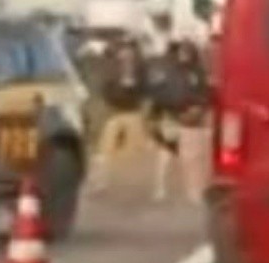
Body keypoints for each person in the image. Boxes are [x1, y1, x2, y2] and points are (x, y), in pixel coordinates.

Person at [147, 40, 211, 205]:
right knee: (168, 154)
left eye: (187, 52)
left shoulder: (196, 72)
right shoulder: (171, 72)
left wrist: (199, 107)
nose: (184, 55)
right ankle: (161, 189)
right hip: (173, 116)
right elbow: (159, 94)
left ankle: (188, 193)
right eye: (183, 52)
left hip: (189, 118)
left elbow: (204, 93)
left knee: (189, 158)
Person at [87, 36, 149, 196]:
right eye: (124, 50)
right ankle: (99, 184)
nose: (127, 53)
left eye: (130, 50)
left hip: (133, 111)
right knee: (103, 150)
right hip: (113, 111)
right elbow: (102, 89)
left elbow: (145, 90)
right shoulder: (110, 68)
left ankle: (133, 186)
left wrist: (134, 89)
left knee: (136, 151)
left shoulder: (140, 69)